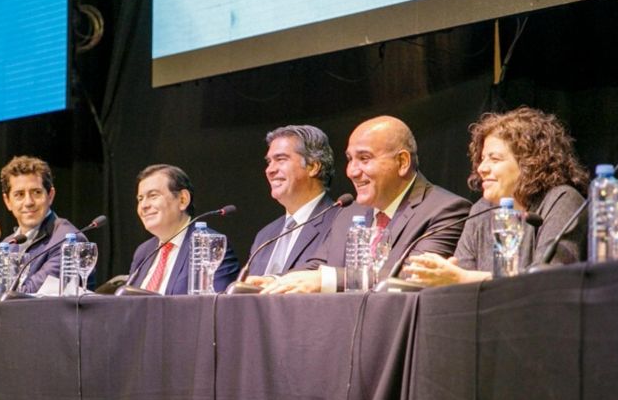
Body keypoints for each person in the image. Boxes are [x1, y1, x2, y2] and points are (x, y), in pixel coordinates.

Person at [257, 115, 472, 293]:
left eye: (364, 158)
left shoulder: (445, 210)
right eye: (350, 159)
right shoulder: (348, 214)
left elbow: (413, 275)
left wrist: (327, 281)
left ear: (402, 162)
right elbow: (317, 266)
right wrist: (276, 280)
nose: (352, 171)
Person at [404, 107, 589, 286]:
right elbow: (461, 280)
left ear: (530, 163)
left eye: (495, 159)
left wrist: (464, 279)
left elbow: (549, 278)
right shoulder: (481, 211)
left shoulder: (562, 201)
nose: (481, 168)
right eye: (482, 158)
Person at [0, 156, 83, 302]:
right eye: (19, 195)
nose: (29, 202)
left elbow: (24, 299)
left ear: (50, 196)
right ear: (7, 201)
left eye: (36, 192)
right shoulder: (9, 243)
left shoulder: (67, 240)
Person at [128, 164, 239, 294]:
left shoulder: (210, 245)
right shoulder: (143, 252)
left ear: (182, 200)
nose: (144, 205)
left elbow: (215, 307)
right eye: (140, 199)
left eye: (153, 195)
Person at [246, 125, 338, 276]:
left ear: (313, 167)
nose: (270, 170)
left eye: (280, 159)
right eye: (269, 162)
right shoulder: (265, 235)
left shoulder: (339, 222)